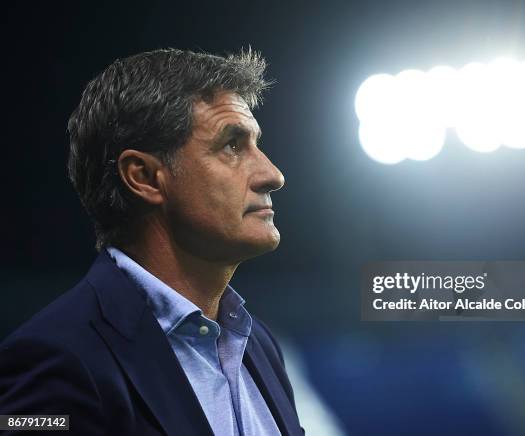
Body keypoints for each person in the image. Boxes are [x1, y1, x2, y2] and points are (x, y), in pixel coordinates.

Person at [0, 48, 305, 436]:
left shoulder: (259, 345)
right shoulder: (54, 356)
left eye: (256, 145)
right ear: (143, 176)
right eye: (232, 145)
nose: (272, 174)